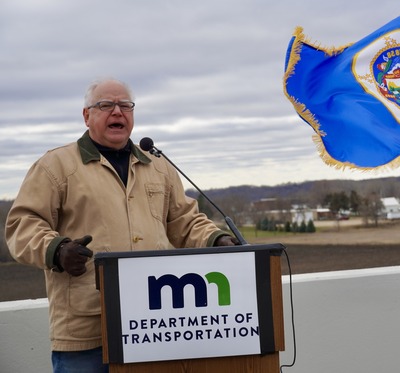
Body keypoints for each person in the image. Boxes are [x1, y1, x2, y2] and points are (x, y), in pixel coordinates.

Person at [5, 77, 239, 372]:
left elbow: (185, 221)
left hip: (152, 324)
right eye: (105, 105)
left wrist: (216, 240)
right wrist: (57, 249)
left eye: (125, 105)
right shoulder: (56, 166)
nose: (117, 112)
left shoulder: (159, 166)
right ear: (86, 115)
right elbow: (22, 225)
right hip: (87, 332)